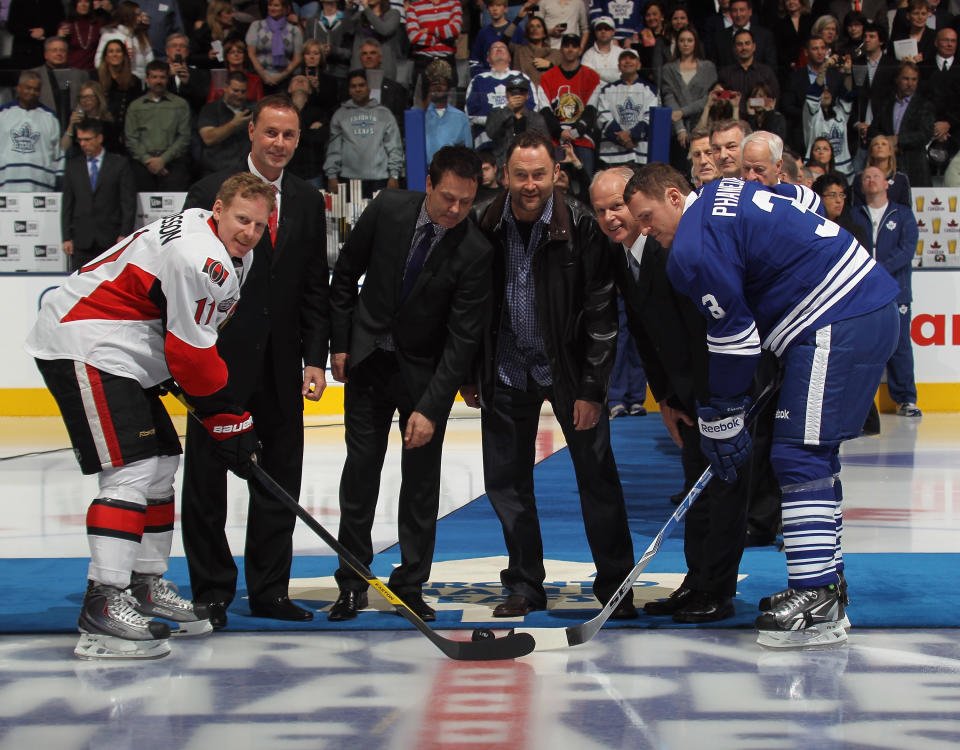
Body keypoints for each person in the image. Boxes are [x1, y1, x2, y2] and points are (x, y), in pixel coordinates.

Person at [625, 162, 899, 648]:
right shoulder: (724, 191)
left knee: (798, 457)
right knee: (814, 459)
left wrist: (722, 416)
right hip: (858, 308)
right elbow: (805, 200)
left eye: (647, 217)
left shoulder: (691, 247)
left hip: (837, 318)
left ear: (673, 196)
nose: (645, 230)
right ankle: (826, 589)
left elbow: (734, 340)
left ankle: (815, 598)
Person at [25, 172, 273, 659]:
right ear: (218, 210)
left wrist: (221, 414)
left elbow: (179, 327)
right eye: (242, 219)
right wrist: (228, 418)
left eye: (260, 225)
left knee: (160, 465)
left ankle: (143, 586)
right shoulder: (202, 256)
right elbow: (191, 355)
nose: (249, 232)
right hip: (89, 343)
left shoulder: (215, 240)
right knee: (133, 470)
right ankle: (103, 603)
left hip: (124, 350)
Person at [461, 130, 637, 620]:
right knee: (506, 483)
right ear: (503, 174)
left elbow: (602, 315)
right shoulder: (483, 222)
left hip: (570, 371)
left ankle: (615, 586)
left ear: (556, 173)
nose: (531, 184)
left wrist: (592, 389)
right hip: (506, 369)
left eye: (540, 174)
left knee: (597, 478)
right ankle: (523, 584)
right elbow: (470, 307)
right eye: (522, 175)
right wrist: (471, 374)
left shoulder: (583, 224)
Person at [180, 94, 330, 630]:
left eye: (288, 136)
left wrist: (316, 356)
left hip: (283, 365)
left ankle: (269, 590)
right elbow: (184, 280)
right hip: (218, 365)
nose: (279, 144)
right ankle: (213, 592)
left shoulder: (310, 202)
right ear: (251, 132)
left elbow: (315, 285)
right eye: (271, 133)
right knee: (206, 480)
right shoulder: (206, 193)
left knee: (280, 480)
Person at [326, 146, 493, 622]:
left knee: (421, 484)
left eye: (466, 201)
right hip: (368, 364)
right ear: (427, 183)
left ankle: (411, 584)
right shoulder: (388, 208)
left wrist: (433, 407)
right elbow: (345, 275)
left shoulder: (475, 249)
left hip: (424, 377)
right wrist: (341, 342)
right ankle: (352, 582)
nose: (456, 210)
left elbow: (463, 338)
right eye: (447, 199)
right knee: (360, 472)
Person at [592, 166, 752, 623]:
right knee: (696, 494)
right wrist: (665, 399)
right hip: (687, 399)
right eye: (601, 210)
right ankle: (698, 581)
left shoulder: (678, 249)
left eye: (620, 207)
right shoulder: (623, 257)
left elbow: (712, 331)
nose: (612, 218)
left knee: (723, 493)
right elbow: (645, 337)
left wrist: (717, 402)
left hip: (720, 394)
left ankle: (717, 591)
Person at [852, 166, 922, 418]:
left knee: (900, 345)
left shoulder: (903, 215)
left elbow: (907, 251)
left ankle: (906, 398)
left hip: (895, 291)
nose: (870, 180)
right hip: (862, 293)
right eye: (866, 176)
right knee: (860, 347)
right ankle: (860, 404)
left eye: (876, 176)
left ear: (886, 183)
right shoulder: (854, 215)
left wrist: (876, 269)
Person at [61, 117, 135, 271]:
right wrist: (66, 237)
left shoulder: (119, 164)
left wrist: (125, 234)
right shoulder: (73, 166)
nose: (83, 144)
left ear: (99, 138)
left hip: (111, 240)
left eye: (87, 139)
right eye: (80, 140)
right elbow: (67, 204)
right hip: (81, 240)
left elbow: (128, 203)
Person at [324, 69, 404, 197]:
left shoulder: (384, 114)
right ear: (349, 90)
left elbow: (394, 146)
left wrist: (394, 175)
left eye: (361, 85)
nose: (358, 89)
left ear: (369, 88)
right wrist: (332, 175)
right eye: (353, 86)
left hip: (380, 179)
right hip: (349, 179)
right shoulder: (340, 115)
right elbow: (334, 149)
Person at [538, 34, 603, 177]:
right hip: (555, 140)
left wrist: (575, 132)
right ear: (561, 49)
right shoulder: (547, 78)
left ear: (580, 50)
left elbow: (591, 110)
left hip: (583, 139)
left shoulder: (592, 77)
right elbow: (545, 111)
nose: (570, 49)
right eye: (566, 46)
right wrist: (559, 132)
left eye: (574, 46)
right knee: (554, 184)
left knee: (586, 185)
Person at [124, 60, 192, 190]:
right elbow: (131, 138)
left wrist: (162, 160)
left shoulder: (180, 104)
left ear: (168, 78)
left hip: (172, 161)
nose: (158, 81)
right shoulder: (135, 106)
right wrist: (148, 160)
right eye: (154, 77)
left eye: (162, 77)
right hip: (143, 162)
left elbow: (184, 137)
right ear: (147, 79)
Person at [867, 61, 936, 187]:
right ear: (897, 79)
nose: (910, 84)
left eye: (914, 80)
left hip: (915, 169)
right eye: (906, 79)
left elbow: (925, 134)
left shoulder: (924, 105)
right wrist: (886, 142)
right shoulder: (886, 104)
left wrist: (898, 140)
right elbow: (873, 131)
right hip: (887, 169)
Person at [0, 72, 63, 192]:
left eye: (36, 89)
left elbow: (58, 154)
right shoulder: (3, 113)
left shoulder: (50, 117)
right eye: (28, 88)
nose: (32, 92)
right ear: (19, 88)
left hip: (41, 190)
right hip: (6, 188)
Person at [596, 48, 660, 167]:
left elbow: (650, 118)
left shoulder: (650, 90)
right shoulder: (607, 90)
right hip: (612, 155)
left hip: (640, 154)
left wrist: (632, 135)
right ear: (619, 66)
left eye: (632, 58)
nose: (627, 61)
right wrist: (621, 138)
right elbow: (603, 117)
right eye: (624, 58)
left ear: (639, 65)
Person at [466, 41, 535, 149]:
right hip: (486, 141)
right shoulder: (478, 80)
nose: (498, 49)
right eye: (494, 48)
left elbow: (533, 109)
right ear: (488, 58)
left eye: (503, 47)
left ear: (510, 58)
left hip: (518, 139)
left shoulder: (521, 77)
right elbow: (471, 113)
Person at [661, 27, 718, 151]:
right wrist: (680, 129)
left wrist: (683, 112)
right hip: (677, 128)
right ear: (677, 43)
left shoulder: (708, 67)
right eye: (682, 40)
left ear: (695, 43)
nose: (686, 44)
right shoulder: (668, 69)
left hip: (703, 124)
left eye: (689, 40)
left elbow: (709, 97)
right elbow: (669, 97)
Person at [484, 73, 550, 166]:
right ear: (507, 94)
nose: (517, 96)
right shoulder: (495, 114)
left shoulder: (536, 118)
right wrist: (508, 109)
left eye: (521, 92)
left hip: (529, 166)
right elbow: (491, 132)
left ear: (527, 95)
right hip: (502, 168)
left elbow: (545, 146)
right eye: (513, 93)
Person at [29, 37, 91, 132]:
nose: (59, 54)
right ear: (46, 54)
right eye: (54, 50)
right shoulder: (34, 75)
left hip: (74, 131)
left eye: (62, 50)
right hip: (41, 129)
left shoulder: (79, 75)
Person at [198, 71, 255, 175]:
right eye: (235, 91)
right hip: (216, 170)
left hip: (247, 171)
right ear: (225, 88)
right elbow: (208, 138)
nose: (239, 95)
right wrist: (234, 124)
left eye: (243, 92)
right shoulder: (210, 109)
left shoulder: (255, 108)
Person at [246, 0, 304, 92]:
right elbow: (251, 54)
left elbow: (297, 59)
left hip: (285, 78)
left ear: (285, 8)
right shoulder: (257, 26)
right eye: (270, 5)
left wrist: (280, 76)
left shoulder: (294, 30)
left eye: (276, 5)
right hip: (259, 76)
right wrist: (264, 75)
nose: (272, 8)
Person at [405, 0, 462, 90]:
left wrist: (428, 30)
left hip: (447, 60)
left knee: (449, 100)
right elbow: (414, 37)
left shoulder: (454, 3)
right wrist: (443, 37)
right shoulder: (414, 7)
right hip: (423, 62)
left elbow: (455, 30)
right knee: (421, 100)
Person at [422, 60, 472, 161]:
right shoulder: (420, 116)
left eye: (442, 85)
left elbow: (468, 153)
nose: (438, 87)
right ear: (429, 89)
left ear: (449, 89)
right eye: (434, 85)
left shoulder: (461, 118)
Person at [94, 1, 154, 80]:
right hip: (117, 83)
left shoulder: (141, 36)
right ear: (126, 16)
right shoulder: (109, 35)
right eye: (137, 15)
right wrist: (118, 59)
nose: (140, 18)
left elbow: (150, 61)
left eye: (140, 14)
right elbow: (98, 62)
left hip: (140, 83)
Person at [348, 0, 404, 81]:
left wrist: (367, 9)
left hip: (383, 69)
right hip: (360, 69)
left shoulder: (394, 14)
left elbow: (384, 30)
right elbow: (346, 28)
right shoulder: (360, 15)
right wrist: (349, 7)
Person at [851, 136, 913, 207]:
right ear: (871, 152)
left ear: (890, 151)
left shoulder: (901, 179)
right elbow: (856, 209)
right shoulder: (860, 178)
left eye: (883, 144)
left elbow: (906, 209)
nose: (880, 146)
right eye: (876, 144)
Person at [509, 14, 562, 88]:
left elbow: (565, 76)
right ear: (527, 32)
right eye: (531, 26)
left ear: (544, 33)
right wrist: (518, 18)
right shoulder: (519, 50)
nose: (535, 29)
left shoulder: (555, 54)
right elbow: (503, 41)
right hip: (525, 95)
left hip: (548, 96)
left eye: (538, 26)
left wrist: (551, 66)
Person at [208, 38, 265, 103]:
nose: (236, 55)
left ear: (244, 55)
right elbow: (210, 103)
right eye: (232, 52)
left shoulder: (255, 80)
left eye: (239, 52)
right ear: (226, 56)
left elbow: (260, 106)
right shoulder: (219, 78)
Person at [581, 16, 624, 84]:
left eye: (607, 29)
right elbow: (588, 79)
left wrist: (596, 72)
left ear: (613, 32)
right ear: (595, 32)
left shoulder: (621, 53)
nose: (603, 31)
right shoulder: (588, 55)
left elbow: (624, 77)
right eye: (599, 29)